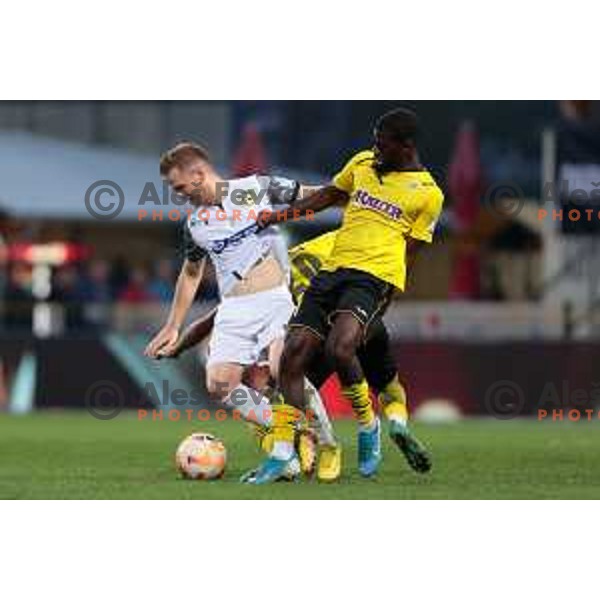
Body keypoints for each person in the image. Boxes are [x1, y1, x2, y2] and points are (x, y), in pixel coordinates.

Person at [249, 107, 444, 484]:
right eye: (374, 141)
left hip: (372, 279)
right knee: (292, 355)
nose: (375, 149)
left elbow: (411, 253)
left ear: (405, 147)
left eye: (382, 144)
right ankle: (280, 455)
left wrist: (385, 300)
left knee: (341, 349)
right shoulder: (362, 164)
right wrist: (279, 217)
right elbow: (327, 196)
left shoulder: (429, 195)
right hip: (333, 271)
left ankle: (368, 427)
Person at [158, 228, 432, 483]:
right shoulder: (362, 248)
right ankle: (390, 423)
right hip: (362, 324)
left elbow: (212, 318)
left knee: (279, 389)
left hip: (323, 338)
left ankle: (318, 448)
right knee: (388, 388)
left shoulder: (273, 274)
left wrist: (180, 346)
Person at [144, 141, 336, 481]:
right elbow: (190, 273)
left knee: (282, 369)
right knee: (219, 384)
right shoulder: (196, 226)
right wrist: (173, 326)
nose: (179, 194)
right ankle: (294, 432)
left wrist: (358, 195)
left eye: (180, 186)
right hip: (233, 308)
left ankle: (328, 444)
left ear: (199, 174)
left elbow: (315, 195)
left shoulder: (254, 190)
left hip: (275, 299)